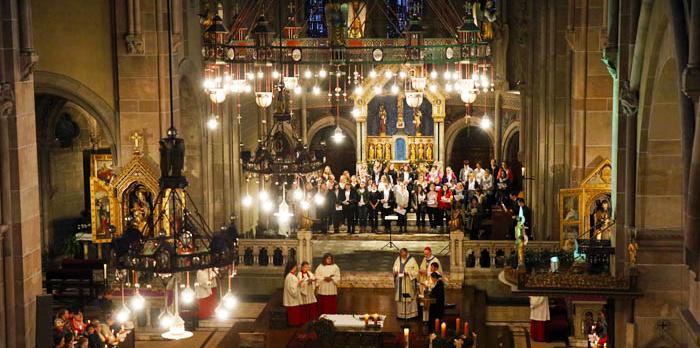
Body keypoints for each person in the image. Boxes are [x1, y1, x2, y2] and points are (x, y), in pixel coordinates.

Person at [393, 248, 419, 319]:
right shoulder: (398, 259)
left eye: (404, 255)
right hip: (400, 281)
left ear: (407, 253)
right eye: (401, 254)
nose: (403, 256)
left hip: (408, 281)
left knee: (408, 297)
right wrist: (395, 272)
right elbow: (394, 268)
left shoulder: (412, 260)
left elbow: (416, 272)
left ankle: (410, 315)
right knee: (400, 297)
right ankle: (400, 314)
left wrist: (408, 273)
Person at [283, 261, 303, 326]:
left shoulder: (289, 276)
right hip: (293, 300)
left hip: (291, 299)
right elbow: (292, 289)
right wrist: (299, 283)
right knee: (294, 316)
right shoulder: (291, 277)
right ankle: (294, 326)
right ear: (293, 267)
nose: (296, 268)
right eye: (295, 267)